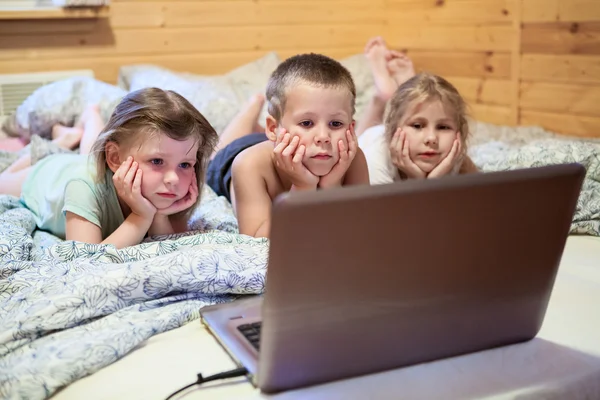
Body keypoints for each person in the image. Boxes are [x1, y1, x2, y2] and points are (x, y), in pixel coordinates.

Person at [0, 88, 218, 249]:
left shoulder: (169, 192)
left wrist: (159, 216)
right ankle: (62, 140)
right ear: (114, 159)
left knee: (90, 154)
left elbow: (169, 246)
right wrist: (141, 218)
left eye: (185, 164)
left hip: (92, 163)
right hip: (48, 175)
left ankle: (84, 122)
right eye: (157, 161)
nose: (173, 179)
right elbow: (85, 262)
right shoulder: (83, 186)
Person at [207, 53, 370, 238]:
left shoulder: (353, 158)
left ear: (351, 128)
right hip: (234, 154)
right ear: (273, 128)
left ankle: (259, 125)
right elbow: (257, 240)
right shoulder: (248, 165)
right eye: (307, 123)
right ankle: (251, 108)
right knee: (221, 149)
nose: (324, 137)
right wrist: (303, 189)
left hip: (279, 141)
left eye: (336, 124)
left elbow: (360, 226)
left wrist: (331, 187)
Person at [356, 37, 478, 183]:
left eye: (443, 127)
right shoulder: (375, 160)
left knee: (413, 111)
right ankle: (381, 98)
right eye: (417, 126)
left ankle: (408, 92)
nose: (431, 138)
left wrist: (423, 180)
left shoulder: (455, 155)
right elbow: (391, 207)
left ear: (460, 131)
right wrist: (424, 183)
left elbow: (484, 198)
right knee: (354, 143)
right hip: (369, 138)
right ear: (393, 130)